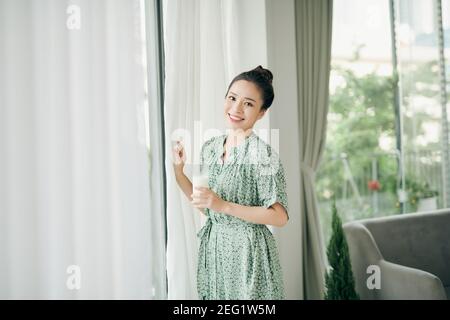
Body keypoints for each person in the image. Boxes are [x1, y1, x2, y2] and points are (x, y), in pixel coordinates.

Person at [172, 65, 289, 299]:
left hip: (249, 255)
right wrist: (179, 171)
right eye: (232, 98)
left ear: (262, 112)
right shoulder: (211, 147)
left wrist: (223, 205)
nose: (236, 108)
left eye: (248, 103)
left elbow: (279, 216)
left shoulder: (262, 155)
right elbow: (204, 203)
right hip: (216, 252)